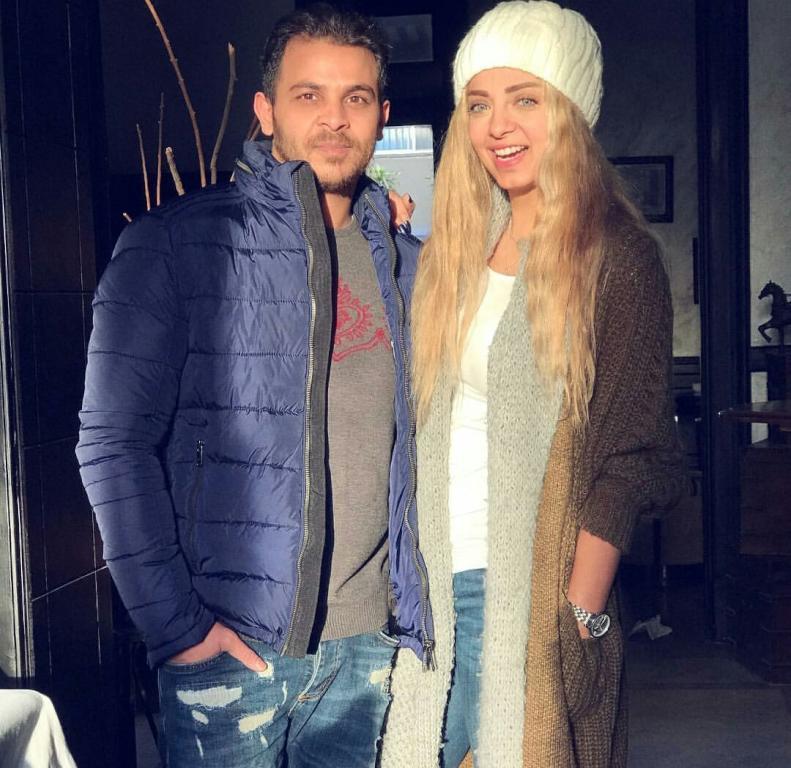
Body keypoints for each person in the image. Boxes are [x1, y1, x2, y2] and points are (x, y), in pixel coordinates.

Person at [76, 5, 433, 767]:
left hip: (368, 649)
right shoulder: (174, 245)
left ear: (382, 115)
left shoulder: (411, 267)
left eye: (356, 97)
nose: (333, 118)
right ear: (266, 110)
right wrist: (178, 627)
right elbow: (113, 443)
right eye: (308, 95)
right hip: (231, 648)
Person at [381, 2, 683, 767]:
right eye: (479, 104)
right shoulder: (452, 252)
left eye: (525, 99)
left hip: (528, 593)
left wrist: (578, 610)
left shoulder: (615, 260)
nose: (498, 126)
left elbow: (637, 458)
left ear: (570, 112)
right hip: (429, 587)